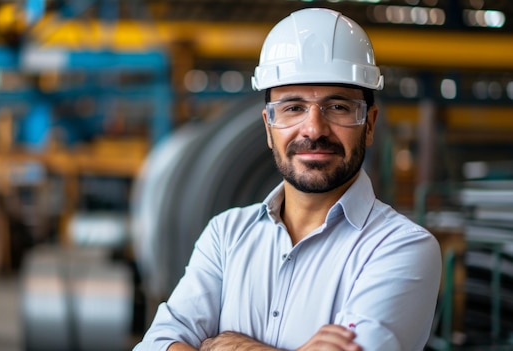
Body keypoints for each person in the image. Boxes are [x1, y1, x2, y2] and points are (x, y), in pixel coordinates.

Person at [133, 7, 441, 351]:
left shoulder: (402, 248)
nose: (313, 129)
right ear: (268, 127)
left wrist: (222, 345)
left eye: (338, 107)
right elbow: (155, 344)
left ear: (369, 124)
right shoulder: (226, 235)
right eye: (293, 107)